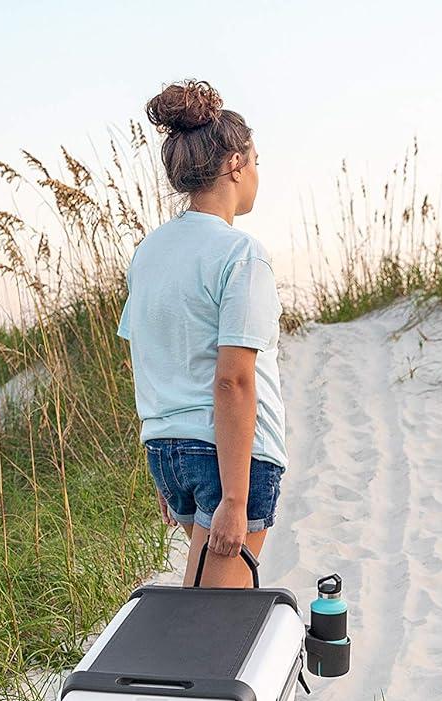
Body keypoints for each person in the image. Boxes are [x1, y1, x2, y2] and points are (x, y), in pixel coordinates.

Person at [118, 79, 286, 588]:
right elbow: (234, 381)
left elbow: (149, 359)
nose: (258, 171)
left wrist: (169, 468)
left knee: (197, 616)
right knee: (215, 634)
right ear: (235, 164)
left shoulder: (150, 253)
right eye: (255, 158)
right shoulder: (241, 254)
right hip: (231, 457)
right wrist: (235, 499)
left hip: (168, 451)